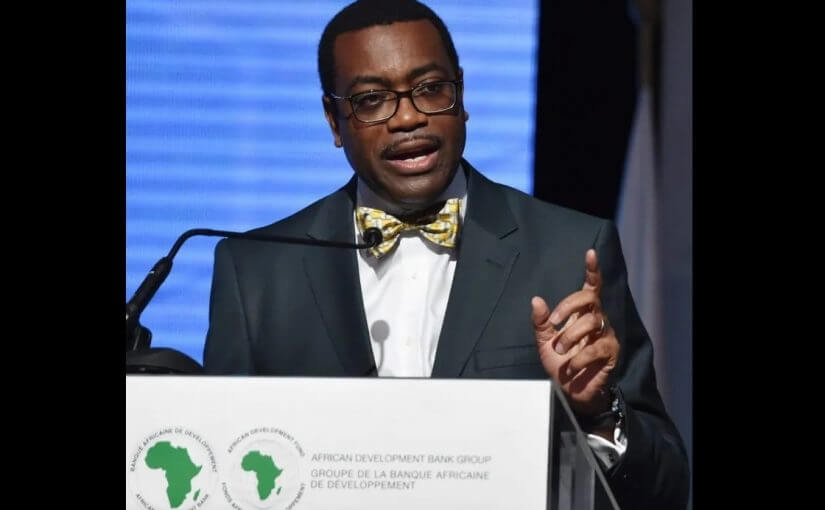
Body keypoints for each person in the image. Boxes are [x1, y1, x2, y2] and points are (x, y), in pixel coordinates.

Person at [204, 1, 689, 507]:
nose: (408, 117)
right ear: (333, 120)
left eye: (430, 88)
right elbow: (220, 471)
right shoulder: (255, 273)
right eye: (371, 100)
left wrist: (599, 413)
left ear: (461, 94)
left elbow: (668, 487)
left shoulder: (569, 252)